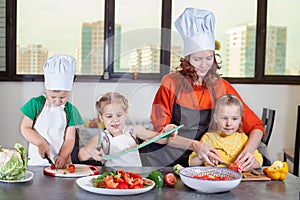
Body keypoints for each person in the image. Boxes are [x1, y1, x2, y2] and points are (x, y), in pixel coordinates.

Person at [140, 8, 265, 172]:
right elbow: (161, 134)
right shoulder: (170, 83)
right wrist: (195, 145)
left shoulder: (221, 86)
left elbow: (256, 126)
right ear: (187, 60)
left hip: (208, 159)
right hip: (173, 154)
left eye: (209, 58)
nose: (204, 65)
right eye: (197, 59)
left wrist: (248, 152)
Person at [78, 92, 177, 167]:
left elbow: (162, 139)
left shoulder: (134, 131)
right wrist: (91, 151)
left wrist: (169, 131)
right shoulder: (102, 137)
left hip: (135, 178)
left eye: (119, 115)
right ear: (101, 117)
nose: (115, 120)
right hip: (112, 180)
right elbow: (81, 156)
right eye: (109, 116)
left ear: (126, 113)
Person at [20, 55, 84, 168]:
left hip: (61, 163)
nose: (58, 101)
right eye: (53, 96)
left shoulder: (71, 110)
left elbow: (70, 139)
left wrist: (63, 156)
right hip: (37, 163)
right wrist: (40, 143)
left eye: (63, 97)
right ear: (46, 90)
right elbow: (25, 128)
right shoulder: (35, 104)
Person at [189, 94, 263, 170]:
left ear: (240, 119)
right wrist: (204, 157)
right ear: (215, 118)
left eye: (234, 119)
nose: (229, 123)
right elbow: (191, 162)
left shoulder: (243, 139)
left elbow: (259, 163)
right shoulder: (208, 138)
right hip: (214, 178)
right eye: (224, 118)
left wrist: (251, 163)